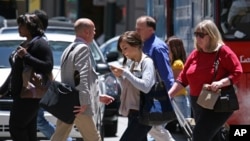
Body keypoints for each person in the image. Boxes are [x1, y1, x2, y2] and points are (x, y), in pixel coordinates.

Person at [168, 19, 243, 141]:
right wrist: (170, 94)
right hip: (198, 103)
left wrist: (220, 83)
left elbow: (237, 71)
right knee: (213, 138)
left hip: (218, 103)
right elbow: (183, 78)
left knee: (199, 136)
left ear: (212, 36)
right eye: (196, 34)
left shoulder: (223, 51)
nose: (198, 38)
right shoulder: (195, 54)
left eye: (201, 35)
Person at [50, 18, 114, 141]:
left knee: (59, 137)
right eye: (93, 30)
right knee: (94, 139)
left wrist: (98, 96)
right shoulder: (83, 49)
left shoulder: (69, 48)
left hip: (69, 102)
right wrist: (84, 102)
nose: (95, 33)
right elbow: (80, 76)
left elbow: (73, 78)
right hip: (79, 105)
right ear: (86, 32)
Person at [0, 13, 53, 141]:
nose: (19, 28)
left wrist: (26, 57)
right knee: (28, 130)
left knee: (16, 127)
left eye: (21, 25)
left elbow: (48, 66)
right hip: (21, 94)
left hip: (30, 95)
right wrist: (2, 91)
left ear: (30, 27)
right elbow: (16, 72)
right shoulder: (26, 43)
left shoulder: (40, 43)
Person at [135, 15, 175, 141]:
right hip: (144, 95)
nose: (136, 32)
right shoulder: (142, 45)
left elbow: (166, 74)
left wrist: (168, 96)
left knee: (155, 129)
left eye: (139, 29)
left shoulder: (157, 47)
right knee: (147, 129)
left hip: (155, 97)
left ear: (151, 30)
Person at [110, 31, 155, 141]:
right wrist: (119, 76)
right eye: (121, 49)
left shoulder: (147, 62)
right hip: (133, 112)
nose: (123, 52)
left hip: (143, 113)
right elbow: (128, 86)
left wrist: (125, 73)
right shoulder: (133, 63)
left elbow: (145, 86)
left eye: (125, 48)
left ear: (136, 45)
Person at [166, 36, 191, 119]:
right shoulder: (173, 62)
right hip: (176, 97)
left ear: (174, 49)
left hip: (179, 97)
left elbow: (177, 82)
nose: (166, 49)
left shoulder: (177, 64)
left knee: (186, 125)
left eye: (167, 47)